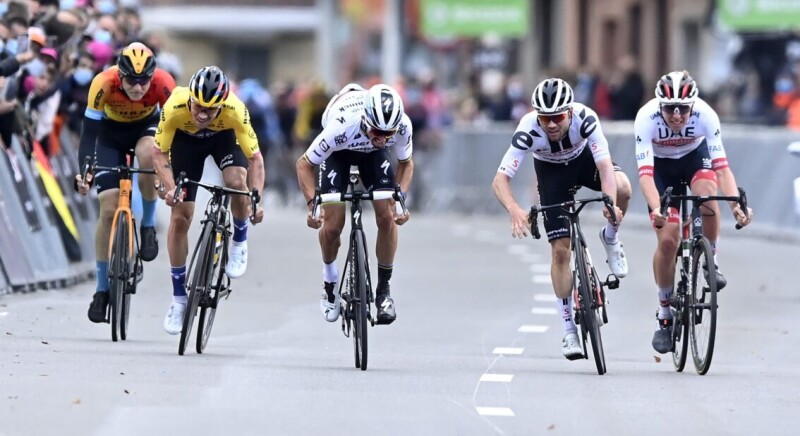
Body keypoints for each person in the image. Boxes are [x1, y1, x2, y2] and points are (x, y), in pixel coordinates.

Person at [492, 78, 631, 360]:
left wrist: (610, 202)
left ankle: (611, 237)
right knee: (560, 252)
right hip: (552, 175)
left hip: (584, 164)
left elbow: (604, 166)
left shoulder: (586, 119)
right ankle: (569, 330)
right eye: (545, 118)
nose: (552, 124)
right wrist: (515, 209)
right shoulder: (528, 129)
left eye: (557, 117)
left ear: (569, 112)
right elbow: (500, 179)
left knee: (623, 186)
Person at [634, 70, 754, 354]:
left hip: (693, 158)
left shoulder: (706, 115)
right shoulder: (646, 118)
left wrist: (736, 205)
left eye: (683, 109)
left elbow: (722, 168)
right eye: (670, 109)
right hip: (661, 169)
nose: (676, 116)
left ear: (693, 106)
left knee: (708, 198)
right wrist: (656, 209)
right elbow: (646, 176)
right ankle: (664, 315)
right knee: (667, 239)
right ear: (659, 105)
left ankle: (709, 259)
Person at [151, 66, 265, 335]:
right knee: (180, 217)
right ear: (190, 98)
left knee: (236, 182)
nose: (202, 114)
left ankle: (239, 240)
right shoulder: (176, 105)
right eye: (198, 106)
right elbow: (158, 153)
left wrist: (256, 199)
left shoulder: (235, 110)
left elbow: (255, 159)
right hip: (186, 143)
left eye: (210, 110)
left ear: (222, 105)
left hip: (224, 139)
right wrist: (170, 188)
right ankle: (179, 299)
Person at [74, 42, 175, 324]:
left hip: (146, 129)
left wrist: (167, 172)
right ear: (120, 75)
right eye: (131, 80)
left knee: (147, 154)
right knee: (107, 210)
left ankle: (148, 226)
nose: (138, 87)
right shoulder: (103, 83)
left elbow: (173, 132)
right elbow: (88, 136)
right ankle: (102, 290)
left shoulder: (164, 84)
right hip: (109, 135)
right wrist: (85, 171)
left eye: (144, 81)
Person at [295, 83, 413, 325]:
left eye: (388, 135)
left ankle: (384, 291)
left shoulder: (401, 126)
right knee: (332, 226)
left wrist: (400, 199)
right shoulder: (340, 126)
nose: (382, 139)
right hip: (338, 153)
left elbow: (406, 163)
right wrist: (312, 205)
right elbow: (304, 164)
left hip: (371, 157)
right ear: (365, 120)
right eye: (377, 132)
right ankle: (330, 281)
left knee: (387, 216)